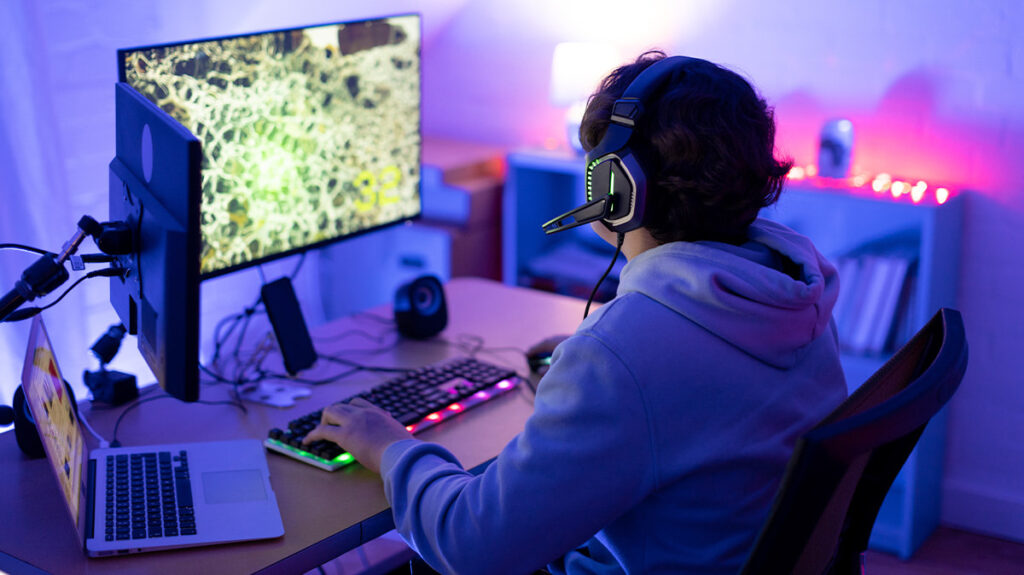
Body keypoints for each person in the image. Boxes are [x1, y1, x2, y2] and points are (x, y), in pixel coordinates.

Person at [304, 51, 848, 574]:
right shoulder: (796, 288)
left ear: (618, 188)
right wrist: (586, 386)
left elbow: (471, 548)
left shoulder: (621, 355)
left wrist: (390, 445)